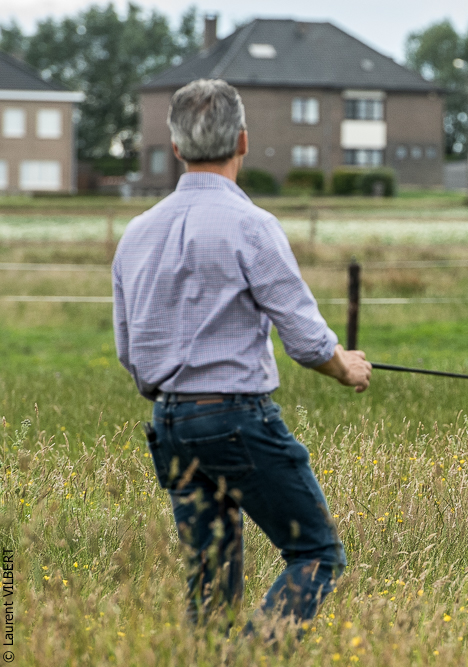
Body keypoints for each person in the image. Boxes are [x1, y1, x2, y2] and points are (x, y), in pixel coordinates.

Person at [112, 78, 372, 637]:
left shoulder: (136, 234)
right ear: (244, 142)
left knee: (209, 583)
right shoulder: (252, 225)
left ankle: (211, 654)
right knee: (317, 553)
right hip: (236, 420)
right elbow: (304, 338)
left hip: (170, 423)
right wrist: (345, 365)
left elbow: (129, 351)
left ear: (177, 148)